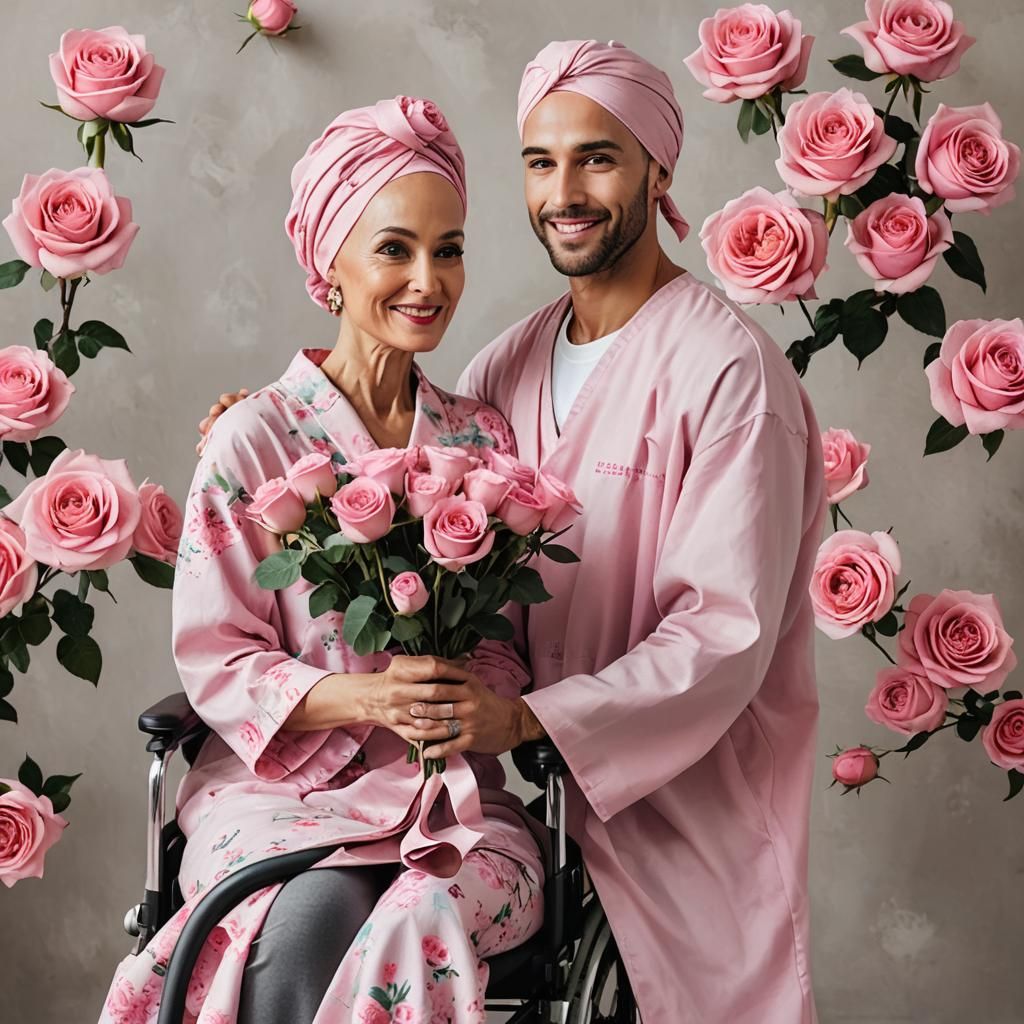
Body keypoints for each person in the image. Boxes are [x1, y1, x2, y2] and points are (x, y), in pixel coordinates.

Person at [199, 40, 827, 1024]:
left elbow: (721, 637)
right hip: (496, 800)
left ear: (660, 167)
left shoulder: (729, 374)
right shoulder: (500, 376)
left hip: (676, 811)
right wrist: (273, 435)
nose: (564, 191)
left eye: (598, 157)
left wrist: (524, 721)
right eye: (540, 161)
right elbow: (388, 442)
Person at [99, 97, 547, 1024]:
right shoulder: (253, 442)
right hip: (277, 798)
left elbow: (511, 642)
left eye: (450, 248)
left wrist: (474, 699)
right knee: (309, 922)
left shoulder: (479, 435)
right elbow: (216, 655)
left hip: (450, 798)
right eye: (394, 248)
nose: (429, 280)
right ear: (328, 263)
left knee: (425, 909)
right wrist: (367, 699)